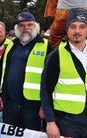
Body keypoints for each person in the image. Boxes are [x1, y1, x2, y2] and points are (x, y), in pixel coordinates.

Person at [0, 11, 51, 131]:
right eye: (22, 25)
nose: (26, 28)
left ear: (35, 26)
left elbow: (51, 78)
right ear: (17, 28)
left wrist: (46, 105)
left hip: (33, 106)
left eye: (29, 25)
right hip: (10, 103)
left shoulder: (46, 46)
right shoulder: (10, 45)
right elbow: (1, 71)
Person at [41, 8, 87, 138]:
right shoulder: (56, 55)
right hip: (67, 122)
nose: (77, 31)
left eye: (82, 26)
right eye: (73, 26)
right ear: (67, 29)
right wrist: (50, 122)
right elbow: (45, 90)